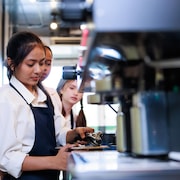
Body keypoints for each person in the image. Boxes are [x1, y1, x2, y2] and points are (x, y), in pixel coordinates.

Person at [0, 31, 94, 180]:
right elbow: (7, 158)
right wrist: (54, 161)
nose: (39, 70)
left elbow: (59, 134)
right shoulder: (5, 99)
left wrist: (74, 134)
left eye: (42, 63)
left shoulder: (47, 96)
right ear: (12, 64)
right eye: (31, 64)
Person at [56, 79, 87, 180]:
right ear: (61, 89)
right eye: (71, 88)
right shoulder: (53, 111)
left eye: (80, 90)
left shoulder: (75, 117)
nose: (76, 93)